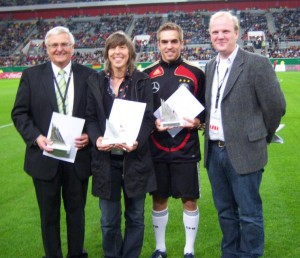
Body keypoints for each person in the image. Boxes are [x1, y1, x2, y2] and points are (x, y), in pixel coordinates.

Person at [204, 11, 286, 258]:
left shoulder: (256, 63)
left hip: (245, 152)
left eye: (225, 31)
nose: (220, 36)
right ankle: (229, 253)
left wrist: (261, 135)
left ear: (237, 33)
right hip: (214, 152)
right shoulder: (209, 65)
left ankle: (250, 254)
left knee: (249, 213)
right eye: (215, 32)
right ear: (210, 35)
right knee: (225, 212)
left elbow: (276, 107)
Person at [11, 26, 95, 258]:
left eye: (64, 44)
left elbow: (95, 113)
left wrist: (89, 133)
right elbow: (19, 113)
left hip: (77, 156)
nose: (59, 49)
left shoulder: (89, 75)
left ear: (72, 47)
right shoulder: (31, 75)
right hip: (44, 157)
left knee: (76, 212)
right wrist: (36, 137)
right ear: (46, 49)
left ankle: (77, 254)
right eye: (54, 45)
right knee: (49, 215)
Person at [85, 31, 156, 258]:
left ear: (130, 52)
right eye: (113, 48)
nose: (117, 52)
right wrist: (96, 139)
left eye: (122, 47)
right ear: (107, 53)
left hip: (134, 160)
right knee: (108, 220)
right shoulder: (95, 80)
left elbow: (148, 119)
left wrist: (137, 141)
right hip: (106, 161)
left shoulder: (142, 81)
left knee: (135, 217)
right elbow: (91, 117)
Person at [143, 22, 205, 258]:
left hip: (186, 148)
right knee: (159, 198)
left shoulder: (196, 73)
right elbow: (142, 113)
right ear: (158, 44)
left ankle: (189, 250)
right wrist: (152, 123)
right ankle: (161, 248)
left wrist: (197, 122)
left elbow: (205, 111)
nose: (169, 46)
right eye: (164, 41)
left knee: (189, 199)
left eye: (174, 41)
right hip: (156, 149)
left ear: (181, 42)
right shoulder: (147, 75)